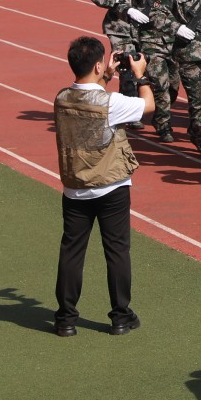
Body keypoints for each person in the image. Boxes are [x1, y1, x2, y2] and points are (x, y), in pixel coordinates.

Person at [52, 34, 153, 338]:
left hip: (75, 187)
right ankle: (120, 316)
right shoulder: (113, 103)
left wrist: (106, 75)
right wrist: (140, 75)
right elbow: (148, 106)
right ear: (97, 65)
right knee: (117, 251)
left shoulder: (61, 98)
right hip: (111, 186)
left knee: (72, 251)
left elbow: (90, 96)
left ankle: (65, 319)